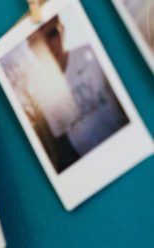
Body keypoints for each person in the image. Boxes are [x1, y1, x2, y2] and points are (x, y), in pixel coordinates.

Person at [30, 16, 128, 169]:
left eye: (52, 34)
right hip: (93, 166)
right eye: (38, 43)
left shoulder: (93, 53)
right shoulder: (40, 91)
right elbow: (61, 139)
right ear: (31, 49)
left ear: (62, 30)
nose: (48, 46)